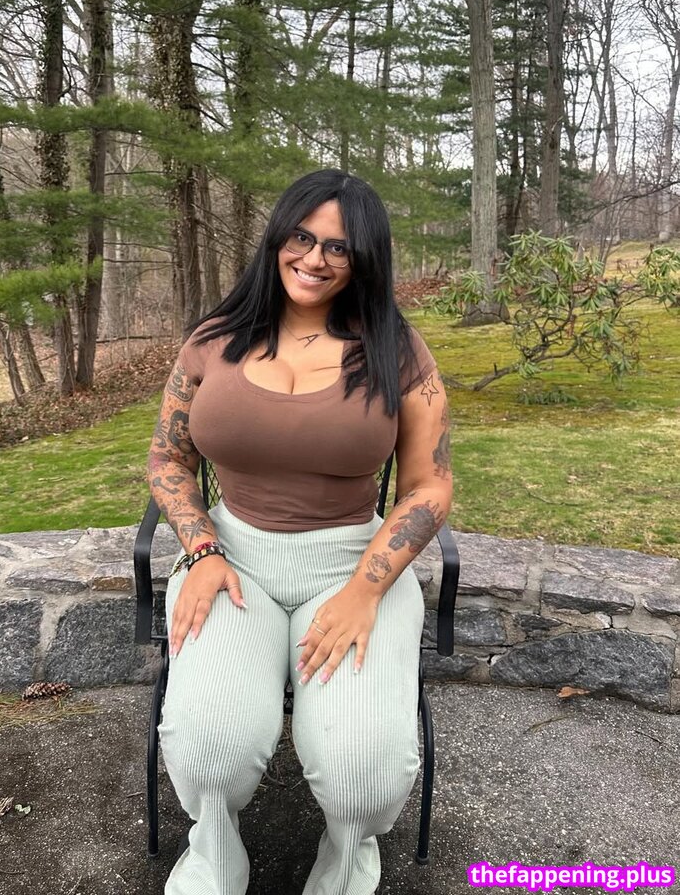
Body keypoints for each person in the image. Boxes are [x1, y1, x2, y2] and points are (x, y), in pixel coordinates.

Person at [147, 168, 452, 895]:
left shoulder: (397, 349)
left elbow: (430, 485)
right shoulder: (214, 340)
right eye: (302, 237)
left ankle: (347, 861)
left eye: (338, 247)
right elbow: (167, 459)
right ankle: (213, 857)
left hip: (351, 566)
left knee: (362, 774)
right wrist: (202, 550)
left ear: (365, 257)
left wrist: (365, 591)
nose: (314, 258)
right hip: (230, 560)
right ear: (278, 237)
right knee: (211, 751)